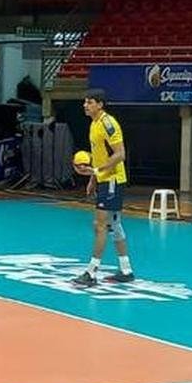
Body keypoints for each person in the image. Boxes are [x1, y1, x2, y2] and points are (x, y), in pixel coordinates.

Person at [71, 89, 136, 287]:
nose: (85, 105)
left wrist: (97, 171)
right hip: (104, 179)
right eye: (85, 102)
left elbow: (120, 154)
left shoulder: (108, 124)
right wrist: (93, 179)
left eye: (89, 102)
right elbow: (99, 155)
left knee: (100, 225)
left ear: (100, 104)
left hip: (113, 180)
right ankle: (126, 270)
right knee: (114, 225)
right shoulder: (94, 124)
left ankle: (91, 273)